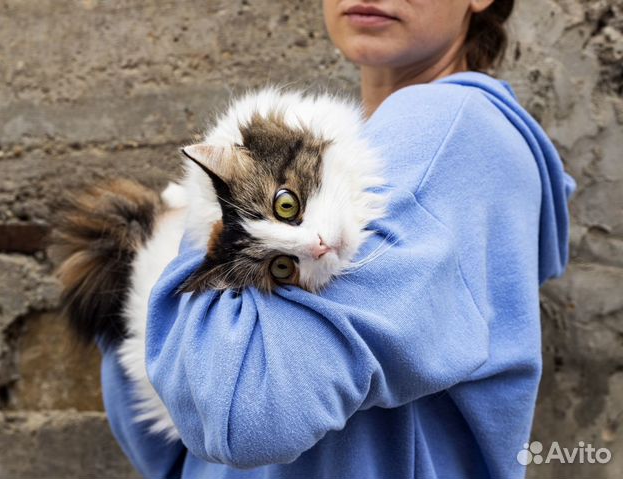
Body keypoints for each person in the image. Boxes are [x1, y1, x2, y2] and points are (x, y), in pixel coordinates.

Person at [100, 1, 575, 477]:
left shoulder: (448, 125)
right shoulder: (362, 147)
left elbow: (239, 417)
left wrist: (199, 221)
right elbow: (176, 438)